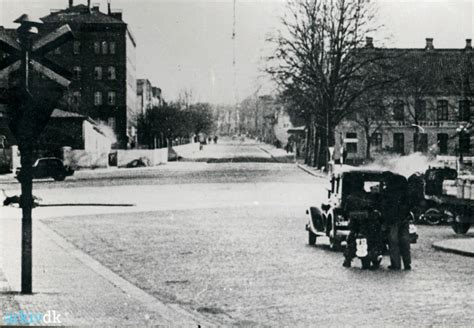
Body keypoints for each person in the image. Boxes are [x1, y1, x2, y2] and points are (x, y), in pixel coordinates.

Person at [381, 173, 411, 270]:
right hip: (404, 218)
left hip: (394, 220)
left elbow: (385, 206)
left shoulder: (388, 193)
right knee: (405, 241)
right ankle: (407, 264)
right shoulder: (405, 192)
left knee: (393, 242)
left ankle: (396, 264)